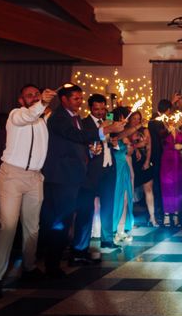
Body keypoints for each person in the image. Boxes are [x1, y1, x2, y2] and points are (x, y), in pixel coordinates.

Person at [41, 84, 125, 278]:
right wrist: (106, 130)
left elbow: (77, 142)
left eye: (80, 98)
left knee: (68, 218)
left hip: (75, 175)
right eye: (75, 99)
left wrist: (90, 150)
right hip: (62, 176)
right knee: (60, 221)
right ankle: (52, 264)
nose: (79, 102)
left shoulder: (74, 118)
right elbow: (73, 135)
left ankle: (66, 257)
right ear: (64, 100)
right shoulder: (59, 118)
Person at [0, 85, 56, 299]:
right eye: (30, 96)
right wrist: (42, 104)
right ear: (21, 100)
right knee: (8, 226)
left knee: (32, 227)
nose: (34, 97)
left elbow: (42, 116)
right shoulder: (16, 115)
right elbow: (27, 117)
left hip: (35, 177)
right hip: (12, 175)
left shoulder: (43, 120)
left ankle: (29, 266)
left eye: (37, 95)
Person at [72, 93, 119, 260]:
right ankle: (80, 246)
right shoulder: (84, 124)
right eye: (96, 109)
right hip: (90, 172)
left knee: (108, 204)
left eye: (102, 108)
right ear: (90, 108)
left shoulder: (109, 122)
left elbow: (113, 140)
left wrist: (115, 140)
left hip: (108, 169)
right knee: (85, 208)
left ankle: (107, 239)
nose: (100, 112)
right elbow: (81, 143)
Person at [160, 111, 182, 227]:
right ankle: (166, 215)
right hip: (166, 164)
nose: (172, 121)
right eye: (170, 120)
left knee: (177, 188)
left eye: (174, 119)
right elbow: (160, 139)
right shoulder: (163, 133)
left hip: (178, 164)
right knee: (167, 188)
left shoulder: (181, 134)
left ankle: (176, 215)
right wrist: (168, 130)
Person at [128, 111, 157, 227]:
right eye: (134, 118)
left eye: (138, 118)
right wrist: (137, 147)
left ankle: (152, 218)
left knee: (148, 190)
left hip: (144, 161)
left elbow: (149, 147)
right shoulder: (126, 131)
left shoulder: (144, 130)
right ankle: (129, 220)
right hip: (131, 163)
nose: (136, 120)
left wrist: (146, 161)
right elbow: (127, 146)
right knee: (130, 191)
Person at [111, 107, 135, 244]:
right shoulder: (113, 133)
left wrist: (130, 147)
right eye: (122, 118)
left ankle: (121, 230)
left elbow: (128, 153)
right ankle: (113, 230)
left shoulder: (124, 134)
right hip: (115, 169)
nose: (124, 121)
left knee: (126, 198)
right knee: (116, 199)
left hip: (124, 167)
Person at [148, 99, 173, 223]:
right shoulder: (155, 119)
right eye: (170, 111)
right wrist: (170, 129)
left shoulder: (160, 118)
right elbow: (160, 135)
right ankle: (157, 212)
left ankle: (162, 210)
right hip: (156, 155)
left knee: (160, 183)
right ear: (167, 110)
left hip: (161, 155)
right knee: (157, 184)